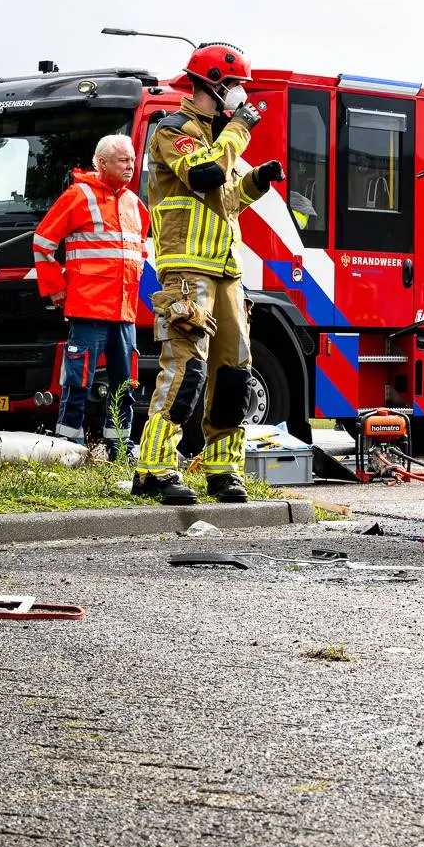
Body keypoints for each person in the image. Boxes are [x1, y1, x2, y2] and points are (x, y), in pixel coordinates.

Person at [133, 42, 284, 506]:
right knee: (186, 369)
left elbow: (226, 201)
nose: (241, 94)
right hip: (187, 270)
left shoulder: (217, 139)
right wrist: (239, 129)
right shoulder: (173, 129)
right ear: (212, 86)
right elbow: (202, 176)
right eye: (235, 85)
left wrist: (257, 181)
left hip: (227, 272)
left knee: (234, 375)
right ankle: (154, 469)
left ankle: (223, 470)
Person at [33, 133, 149, 459]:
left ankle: (120, 448)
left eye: (132, 160)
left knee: (125, 384)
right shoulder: (78, 195)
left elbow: (139, 249)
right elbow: (42, 243)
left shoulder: (133, 203)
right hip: (88, 308)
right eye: (122, 160)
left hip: (123, 311)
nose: (130, 165)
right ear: (101, 163)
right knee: (78, 381)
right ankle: (67, 449)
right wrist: (56, 288)